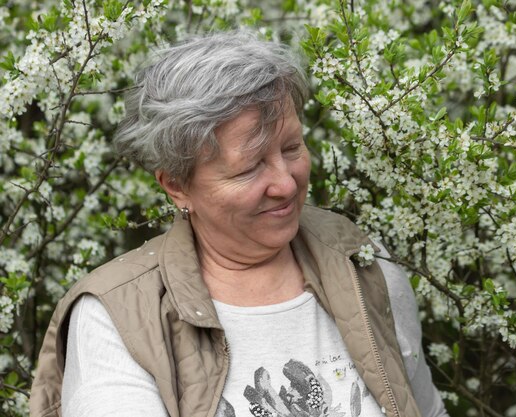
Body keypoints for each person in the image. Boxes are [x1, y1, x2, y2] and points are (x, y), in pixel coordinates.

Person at [30, 30, 449, 417]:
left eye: (291, 148)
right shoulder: (117, 317)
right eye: (249, 169)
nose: (285, 184)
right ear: (177, 185)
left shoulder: (364, 263)